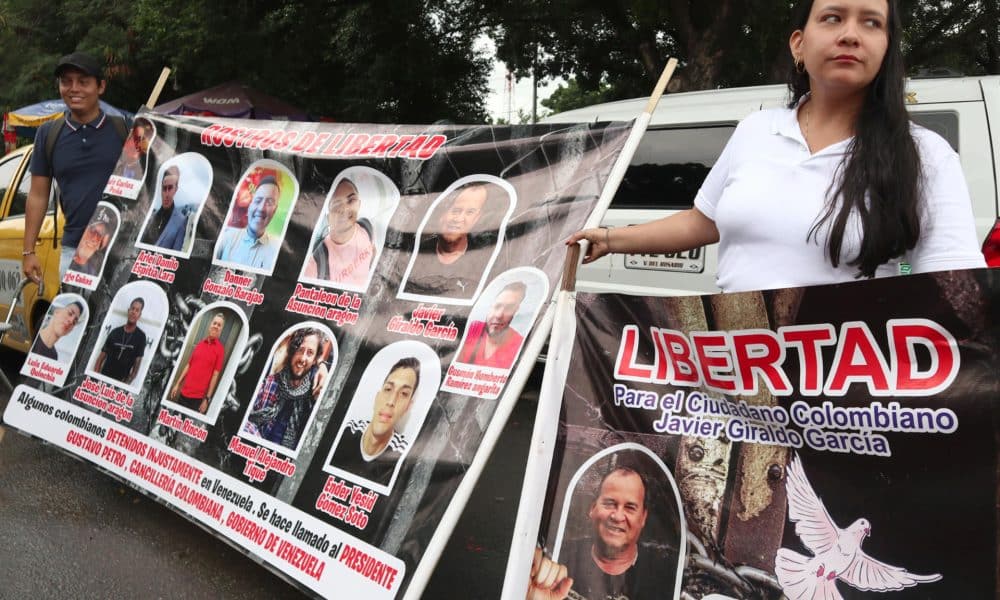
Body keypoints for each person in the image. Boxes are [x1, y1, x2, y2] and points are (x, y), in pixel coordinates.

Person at [568, 0, 986, 293]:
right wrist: (611, 238)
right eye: (833, 18)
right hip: (740, 385)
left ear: (887, 48)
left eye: (872, 23)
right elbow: (703, 222)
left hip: (853, 396)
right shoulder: (756, 130)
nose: (851, 35)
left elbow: (953, 289)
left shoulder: (926, 155)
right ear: (799, 44)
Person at [22, 52, 125, 281]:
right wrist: (28, 251)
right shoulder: (48, 135)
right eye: (66, 81)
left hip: (122, 251)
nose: (74, 88)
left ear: (101, 87)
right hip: (74, 251)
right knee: (71, 317)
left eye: (83, 82)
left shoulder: (124, 131)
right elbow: (38, 195)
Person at [527, 467, 678, 600]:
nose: (617, 516)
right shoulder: (553, 558)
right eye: (609, 503)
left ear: (643, 517)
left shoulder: (669, 574)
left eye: (630, 507)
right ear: (592, 508)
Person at [330, 357, 420, 487]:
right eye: (388, 389)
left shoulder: (404, 458)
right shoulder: (346, 431)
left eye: (404, 393)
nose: (391, 401)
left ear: (408, 407)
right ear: (377, 397)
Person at [403, 182, 497, 299]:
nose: (459, 219)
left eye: (470, 212)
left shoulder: (482, 264)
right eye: (456, 210)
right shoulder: (413, 254)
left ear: (476, 219)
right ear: (442, 214)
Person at [243, 327, 328, 450]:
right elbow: (247, 418)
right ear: (292, 352)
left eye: (310, 353)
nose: (303, 359)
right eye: (300, 350)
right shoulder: (271, 383)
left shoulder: (314, 394)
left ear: (315, 360)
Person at [303, 178, 375, 287]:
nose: (345, 208)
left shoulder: (366, 228)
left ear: (359, 204)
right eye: (337, 204)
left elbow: (373, 252)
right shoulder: (315, 265)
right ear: (328, 216)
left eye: (351, 200)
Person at [215, 174, 283, 270]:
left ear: (274, 211)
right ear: (250, 205)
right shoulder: (226, 237)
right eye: (258, 200)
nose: (261, 208)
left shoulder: (277, 249)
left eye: (269, 203)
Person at [457, 281, 527, 369]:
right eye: (497, 306)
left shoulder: (519, 345)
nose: (499, 315)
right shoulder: (473, 328)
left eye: (509, 308)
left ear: (516, 311)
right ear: (490, 306)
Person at [169, 313, 226, 414]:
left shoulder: (220, 350)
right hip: (183, 393)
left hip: (196, 400)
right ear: (210, 325)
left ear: (221, 330)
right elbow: (189, 365)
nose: (216, 326)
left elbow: (215, 375)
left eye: (219, 325)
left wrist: (207, 400)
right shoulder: (200, 344)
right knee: (173, 422)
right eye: (215, 323)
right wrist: (177, 384)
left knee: (184, 427)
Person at [94, 297, 147, 384]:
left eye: (137, 310)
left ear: (139, 315)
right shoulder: (115, 332)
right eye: (132, 308)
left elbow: (134, 372)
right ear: (128, 310)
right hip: (102, 380)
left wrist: (121, 387)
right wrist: (96, 380)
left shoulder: (141, 337)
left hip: (119, 384)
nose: (133, 312)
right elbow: (100, 360)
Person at [141, 166, 188, 251]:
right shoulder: (151, 216)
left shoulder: (181, 221)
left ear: (176, 189)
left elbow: (175, 255)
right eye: (164, 188)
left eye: (170, 188)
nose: (166, 194)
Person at [67, 206, 114, 276]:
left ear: (99, 246)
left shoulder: (92, 275)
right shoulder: (61, 258)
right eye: (92, 230)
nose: (94, 239)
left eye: (100, 235)